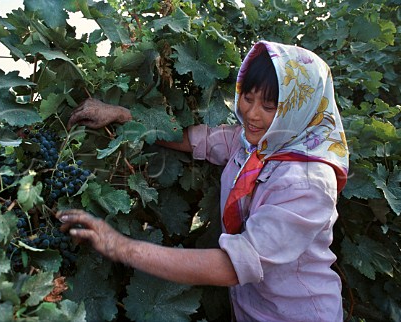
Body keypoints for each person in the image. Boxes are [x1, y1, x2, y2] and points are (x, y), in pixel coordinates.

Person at [58, 40, 349, 321]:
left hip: (299, 314)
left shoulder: (309, 182)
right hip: (251, 306)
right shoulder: (253, 144)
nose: (251, 114)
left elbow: (233, 265)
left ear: (298, 109)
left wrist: (121, 247)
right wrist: (123, 115)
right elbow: (198, 139)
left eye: (269, 106)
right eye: (248, 98)